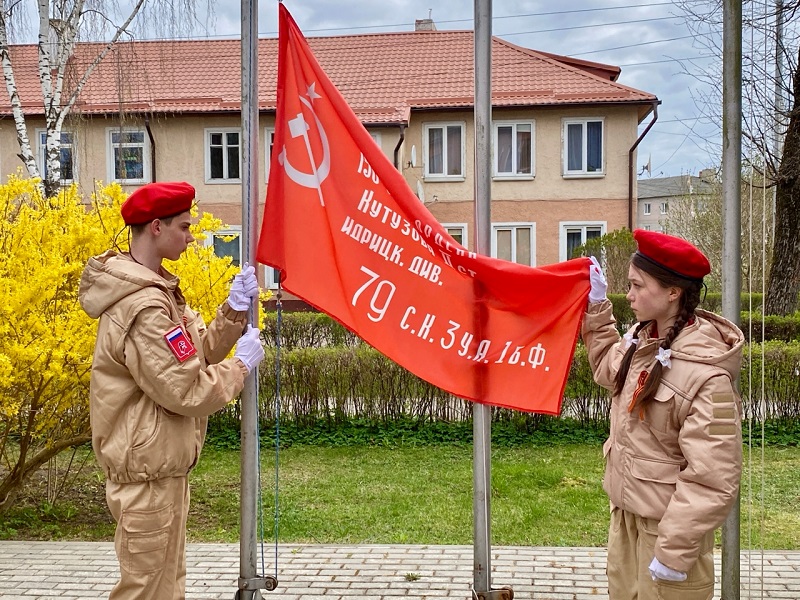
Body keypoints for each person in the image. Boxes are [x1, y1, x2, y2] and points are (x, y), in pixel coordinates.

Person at [78, 181, 265, 600]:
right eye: (184, 226)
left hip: (159, 470)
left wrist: (233, 312)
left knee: (165, 588)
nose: (191, 234)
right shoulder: (144, 307)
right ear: (156, 227)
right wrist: (239, 368)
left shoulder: (159, 292)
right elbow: (186, 389)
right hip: (146, 475)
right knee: (145, 591)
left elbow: (191, 354)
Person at [581, 229, 744, 600]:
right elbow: (608, 369)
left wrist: (672, 553)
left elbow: (712, 478)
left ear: (674, 293)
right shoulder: (643, 340)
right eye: (627, 285)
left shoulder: (706, 373)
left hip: (668, 535)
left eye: (638, 285)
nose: (629, 294)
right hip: (627, 521)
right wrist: (597, 306)